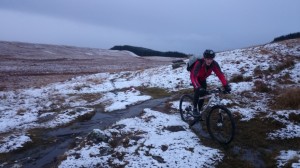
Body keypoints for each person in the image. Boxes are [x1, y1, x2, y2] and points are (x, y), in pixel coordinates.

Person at [190, 49, 231, 117]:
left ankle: (199, 112)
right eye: (207, 59)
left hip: (203, 79)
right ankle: (194, 109)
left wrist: (226, 85)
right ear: (204, 58)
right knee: (198, 91)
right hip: (195, 77)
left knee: (202, 96)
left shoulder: (214, 64)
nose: (209, 61)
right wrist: (197, 87)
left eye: (211, 59)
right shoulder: (199, 63)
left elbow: (220, 75)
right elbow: (193, 76)